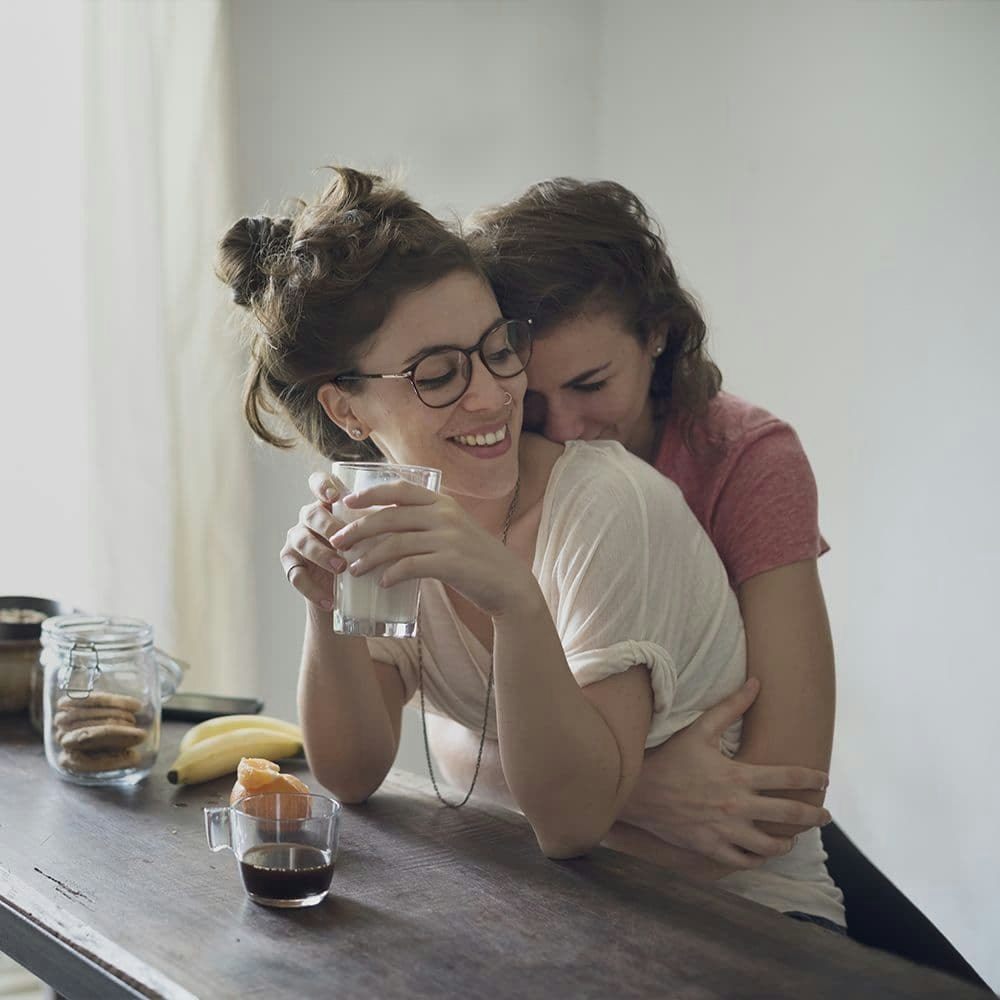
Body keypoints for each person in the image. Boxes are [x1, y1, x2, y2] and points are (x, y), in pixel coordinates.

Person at [215, 166, 843, 930]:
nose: (498, 398)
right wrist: (326, 602)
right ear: (346, 408)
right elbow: (352, 772)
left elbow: (582, 819)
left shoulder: (629, 496)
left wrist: (514, 599)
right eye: (440, 373)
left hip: (733, 919)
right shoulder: (392, 505)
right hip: (568, 904)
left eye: (496, 351)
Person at [455, 178, 838, 896]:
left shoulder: (749, 462)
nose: (563, 429)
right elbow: (453, 734)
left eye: (592, 384)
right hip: (597, 863)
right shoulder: (495, 460)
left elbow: (781, 790)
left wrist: (584, 796)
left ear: (656, 334)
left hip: (730, 885)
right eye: (531, 400)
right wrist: (637, 791)